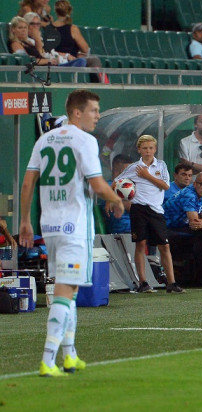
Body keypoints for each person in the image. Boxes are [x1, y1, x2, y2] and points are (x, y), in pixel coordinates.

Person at [19, 89, 125, 377]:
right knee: (66, 291)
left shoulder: (44, 139)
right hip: (74, 228)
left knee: (70, 289)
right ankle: (47, 359)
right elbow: (98, 184)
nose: (97, 116)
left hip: (50, 227)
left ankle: (70, 356)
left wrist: (25, 221)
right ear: (76, 112)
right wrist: (116, 200)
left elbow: (28, 182)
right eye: (93, 110)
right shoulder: (85, 140)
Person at [113, 135, 183, 293]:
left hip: (156, 210)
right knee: (141, 244)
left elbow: (165, 186)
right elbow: (117, 182)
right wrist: (112, 199)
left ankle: (171, 283)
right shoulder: (133, 168)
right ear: (139, 150)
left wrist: (147, 176)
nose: (148, 151)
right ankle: (143, 282)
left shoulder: (161, 165)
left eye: (151, 148)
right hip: (138, 208)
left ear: (155, 149)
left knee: (164, 245)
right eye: (144, 148)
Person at [8, 16, 86, 67]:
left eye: (25, 27)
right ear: (13, 30)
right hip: (44, 69)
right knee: (81, 61)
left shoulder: (28, 42)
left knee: (82, 61)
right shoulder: (15, 44)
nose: (23, 30)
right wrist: (49, 61)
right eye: (20, 28)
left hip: (50, 65)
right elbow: (26, 60)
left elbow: (39, 54)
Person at [51, 0, 102, 71]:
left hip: (61, 60)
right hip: (67, 62)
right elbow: (86, 50)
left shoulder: (49, 28)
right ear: (70, 11)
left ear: (56, 11)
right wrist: (70, 55)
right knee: (94, 60)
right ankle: (102, 82)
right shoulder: (73, 29)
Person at [103, 154, 132, 234]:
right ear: (116, 171)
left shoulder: (129, 185)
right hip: (123, 231)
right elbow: (131, 205)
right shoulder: (108, 187)